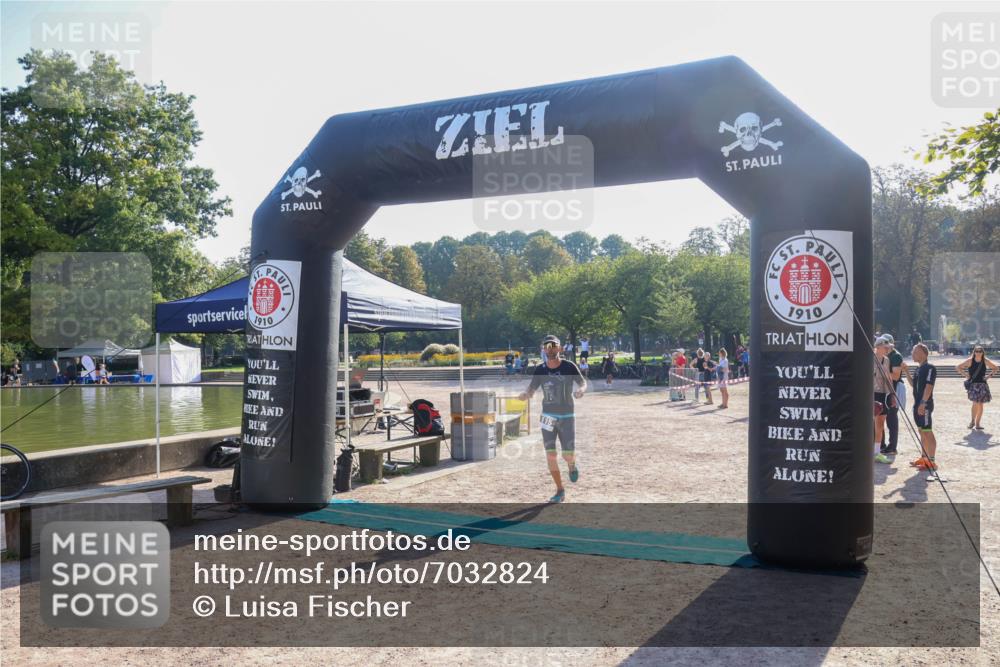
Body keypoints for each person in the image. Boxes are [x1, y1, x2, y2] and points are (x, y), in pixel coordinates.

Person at [518, 335, 586, 503]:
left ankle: (571, 465)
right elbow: (531, 389)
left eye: (553, 345)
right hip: (547, 417)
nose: (550, 349)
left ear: (560, 348)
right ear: (543, 349)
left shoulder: (569, 366)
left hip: (567, 417)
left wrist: (581, 391)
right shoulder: (540, 370)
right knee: (551, 455)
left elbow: (582, 382)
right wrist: (526, 395)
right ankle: (560, 490)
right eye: (547, 346)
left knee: (567, 455)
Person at [908, 343, 938, 471]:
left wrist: (923, 403)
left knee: (927, 431)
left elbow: (929, 386)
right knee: (922, 432)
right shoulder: (918, 369)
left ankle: (931, 461)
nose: (912, 354)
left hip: (924, 405)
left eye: (915, 351)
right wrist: (905, 372)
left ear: (923, 353)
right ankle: (924, 457)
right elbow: (913, 385)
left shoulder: (930, 368)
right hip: (917, 404)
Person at [957, 346, 997, 430]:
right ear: (974, 352)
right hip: (974, 385)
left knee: (981, 405)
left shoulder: (985, 360)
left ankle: (978, 424)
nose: (978, 353)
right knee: (975, 403)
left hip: (982, 385)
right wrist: (966, 375)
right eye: (977, 351)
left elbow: (995, 368)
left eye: (980, 351)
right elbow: (958, 367)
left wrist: (988, 377)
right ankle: (972, 421)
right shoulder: (970, 360)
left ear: (983, 352)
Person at [880, 334, 904, 456]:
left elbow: (895, 376)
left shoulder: (895, 356)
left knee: (891, 418)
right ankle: (881, 444)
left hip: (893, 389)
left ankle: (892, 446)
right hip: (882, 389)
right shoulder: (881, 356)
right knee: (879, 417)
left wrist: (881, 371)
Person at [873, 336, 895, 464]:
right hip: (871, 393)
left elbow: (888, 377)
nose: (887, 349)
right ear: (879, 346)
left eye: (888, 347)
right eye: (885, 347)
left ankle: (877, 452)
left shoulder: (886, 360)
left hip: (883, 394)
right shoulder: (869, 358)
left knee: (880, 424)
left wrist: (892, 394)